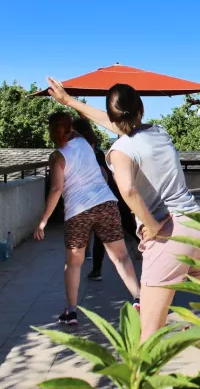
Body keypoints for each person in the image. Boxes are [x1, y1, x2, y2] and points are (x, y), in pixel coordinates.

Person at [45, 78, 200, 341]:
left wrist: (153, 227)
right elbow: (118, 123)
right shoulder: (160, 132)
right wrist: (68, 101)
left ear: (113, 116)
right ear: (141, 109)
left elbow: (128, 190)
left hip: (168, 236)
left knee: (149, 335)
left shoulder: (119, 150)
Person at [34, 111, 141, 326]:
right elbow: (101, 171)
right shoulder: (84, 142)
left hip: (78, 211)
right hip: (106, 204)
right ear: (71, 126)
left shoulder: (57, 156)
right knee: (121, 257)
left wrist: (44, 220)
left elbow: (56, 189)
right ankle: (139, 299)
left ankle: (72, 312)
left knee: (74, 263)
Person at [72, 118, 141, 281]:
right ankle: (155, 249)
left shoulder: (86, 152)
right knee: (128, 228)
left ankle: (97, 271)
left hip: (104, 197)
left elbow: (102, 175)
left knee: (105, 233)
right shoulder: (95, 150)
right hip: (114, 195)